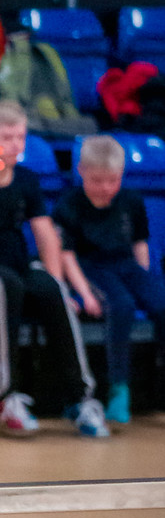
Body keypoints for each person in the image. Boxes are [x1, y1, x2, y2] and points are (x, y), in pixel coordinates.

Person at [0, 100, 107, 438]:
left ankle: (80, 397)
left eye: (21, 137)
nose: (17, 144)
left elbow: (46, 234)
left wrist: (56, 281)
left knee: (49, 286)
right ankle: (5, 396)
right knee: (4, 286)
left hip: (15, 267)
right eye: (8, 137)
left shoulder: (27, 180)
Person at [55, 135, 165, 427]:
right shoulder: (70, 204)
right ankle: (119, 389)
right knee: (121, 307)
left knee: (162, 304)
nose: (106, 188)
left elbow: (140, 243)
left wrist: (143, 280)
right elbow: (66, 255)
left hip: (127, 265)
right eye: (98, 180)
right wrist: (86, 295)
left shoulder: (131, 200)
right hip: (92, 267)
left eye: (113, 180)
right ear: (81, 172)